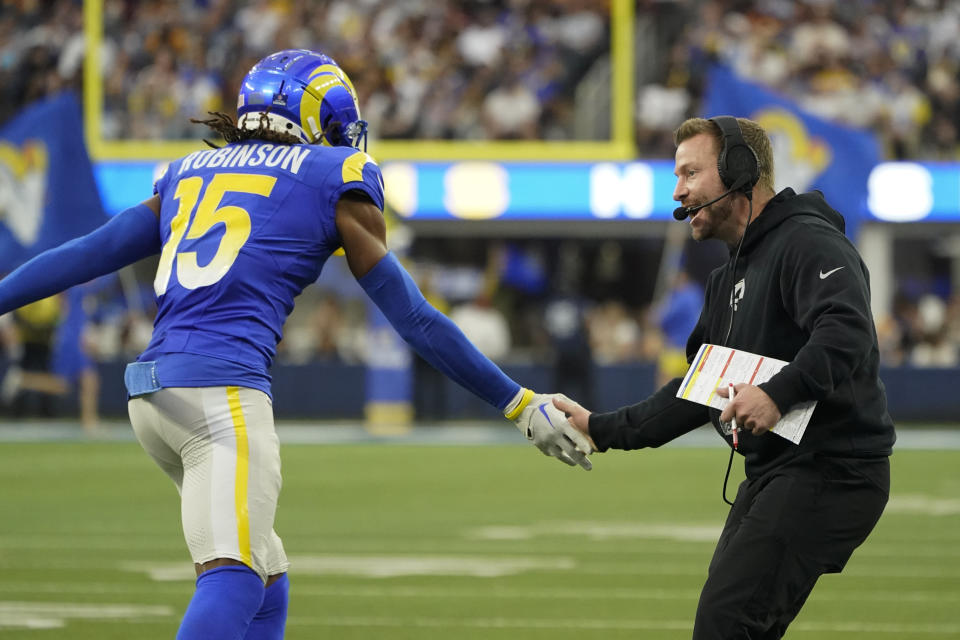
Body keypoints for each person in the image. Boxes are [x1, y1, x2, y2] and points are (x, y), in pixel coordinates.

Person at [0, 49, 593, 640]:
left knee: (266, 578)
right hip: (220, 396)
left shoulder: (186, 173)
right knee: (233, 579)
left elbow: (83, 255)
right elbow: (414, 318)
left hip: (152, 398)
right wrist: (518, 403)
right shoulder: (331, 176)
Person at [555, 116, 895, 639]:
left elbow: (847, 330)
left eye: (691, 173)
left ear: (740, 170)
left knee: (726, 623)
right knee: (731, 625)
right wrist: (603, 429)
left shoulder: (807, 242)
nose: (678, 190)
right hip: (777, 473)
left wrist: (778, 394)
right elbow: (696, 391)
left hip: (834, 470)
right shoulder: (725, 278)